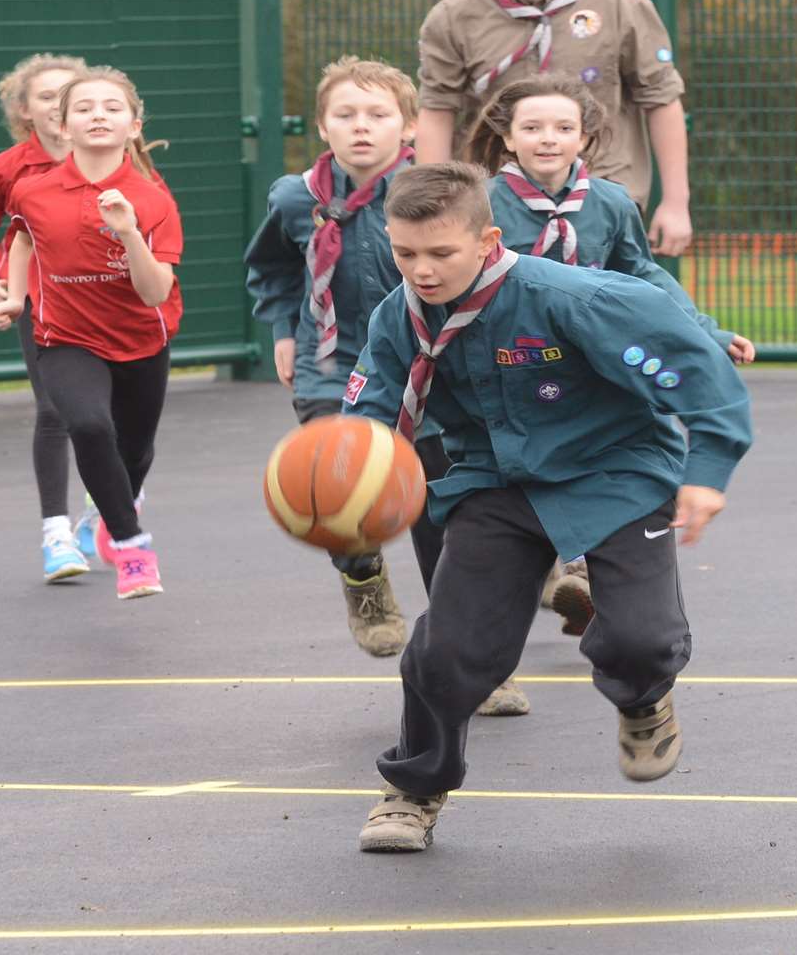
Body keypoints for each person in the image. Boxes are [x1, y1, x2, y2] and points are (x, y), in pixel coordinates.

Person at [342, 162, 752, 852]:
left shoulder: (573, 299)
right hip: (494, 484)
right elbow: (369, 416)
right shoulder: (401, 318)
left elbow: (693, 372)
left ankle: (644, 698)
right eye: (405, 252)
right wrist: (346, 481)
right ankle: (414, 787)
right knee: (448, 650)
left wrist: (706, 471)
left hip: (614, 470)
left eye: (441, 252)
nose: (422, 270)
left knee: (639, 641)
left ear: (487, 238)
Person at [466, 73, 754, 634]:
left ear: (585, 137)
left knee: (601, 452)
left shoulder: (611, 203)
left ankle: (582, 569)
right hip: (518, 360)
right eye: (532, 127)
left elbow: (643, 275)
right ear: (507, 138)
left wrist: (704, 332)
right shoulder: (483, 201)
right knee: (526, 464)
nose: (548, 138)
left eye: (563, 127)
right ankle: (543, 564)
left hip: (597, 359)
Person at [245, 56, 433, 657]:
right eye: (345, 114)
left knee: (443, 506)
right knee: (332, 480)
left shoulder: (436, 191)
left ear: (408, 126)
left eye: (378, 114)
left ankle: (467, 642)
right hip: (330, 361)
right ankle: (363, 579)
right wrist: (281, 329)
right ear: (322, 127)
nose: (361, 126)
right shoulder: (295, 198)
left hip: (426, 362)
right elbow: (272, 264)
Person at [0, 67, 181, 601]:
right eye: (85, 107)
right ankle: (133, 548)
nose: (99, 114)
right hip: (65, 337)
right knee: (90, 426)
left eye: (112, 107)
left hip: (142, 336)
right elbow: (23, 239)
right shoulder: (32, 192)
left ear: (134, 125)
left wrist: (128, 234)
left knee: (134, 451)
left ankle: (115, 509)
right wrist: (15, 296)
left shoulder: (154, 199)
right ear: (64, 127)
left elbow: (153, 292)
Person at [412, 0, 694, 255]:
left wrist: (676, 202)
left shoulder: (621, 7)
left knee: (607, 304)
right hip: (498, 200)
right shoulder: (454, 17)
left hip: (603, 188)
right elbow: (436, 110)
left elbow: (662, 101)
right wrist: (433, 201)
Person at [0, 53, 99, 582]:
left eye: (71, 95)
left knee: (111, 418)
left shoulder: (114, 157)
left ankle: (104, 508)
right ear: (25, 110)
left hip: (109, 303)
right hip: (41, 302)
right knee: (54, 411)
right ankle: (56, 536)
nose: (60, 106)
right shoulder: (8, 168)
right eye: (47, 96)